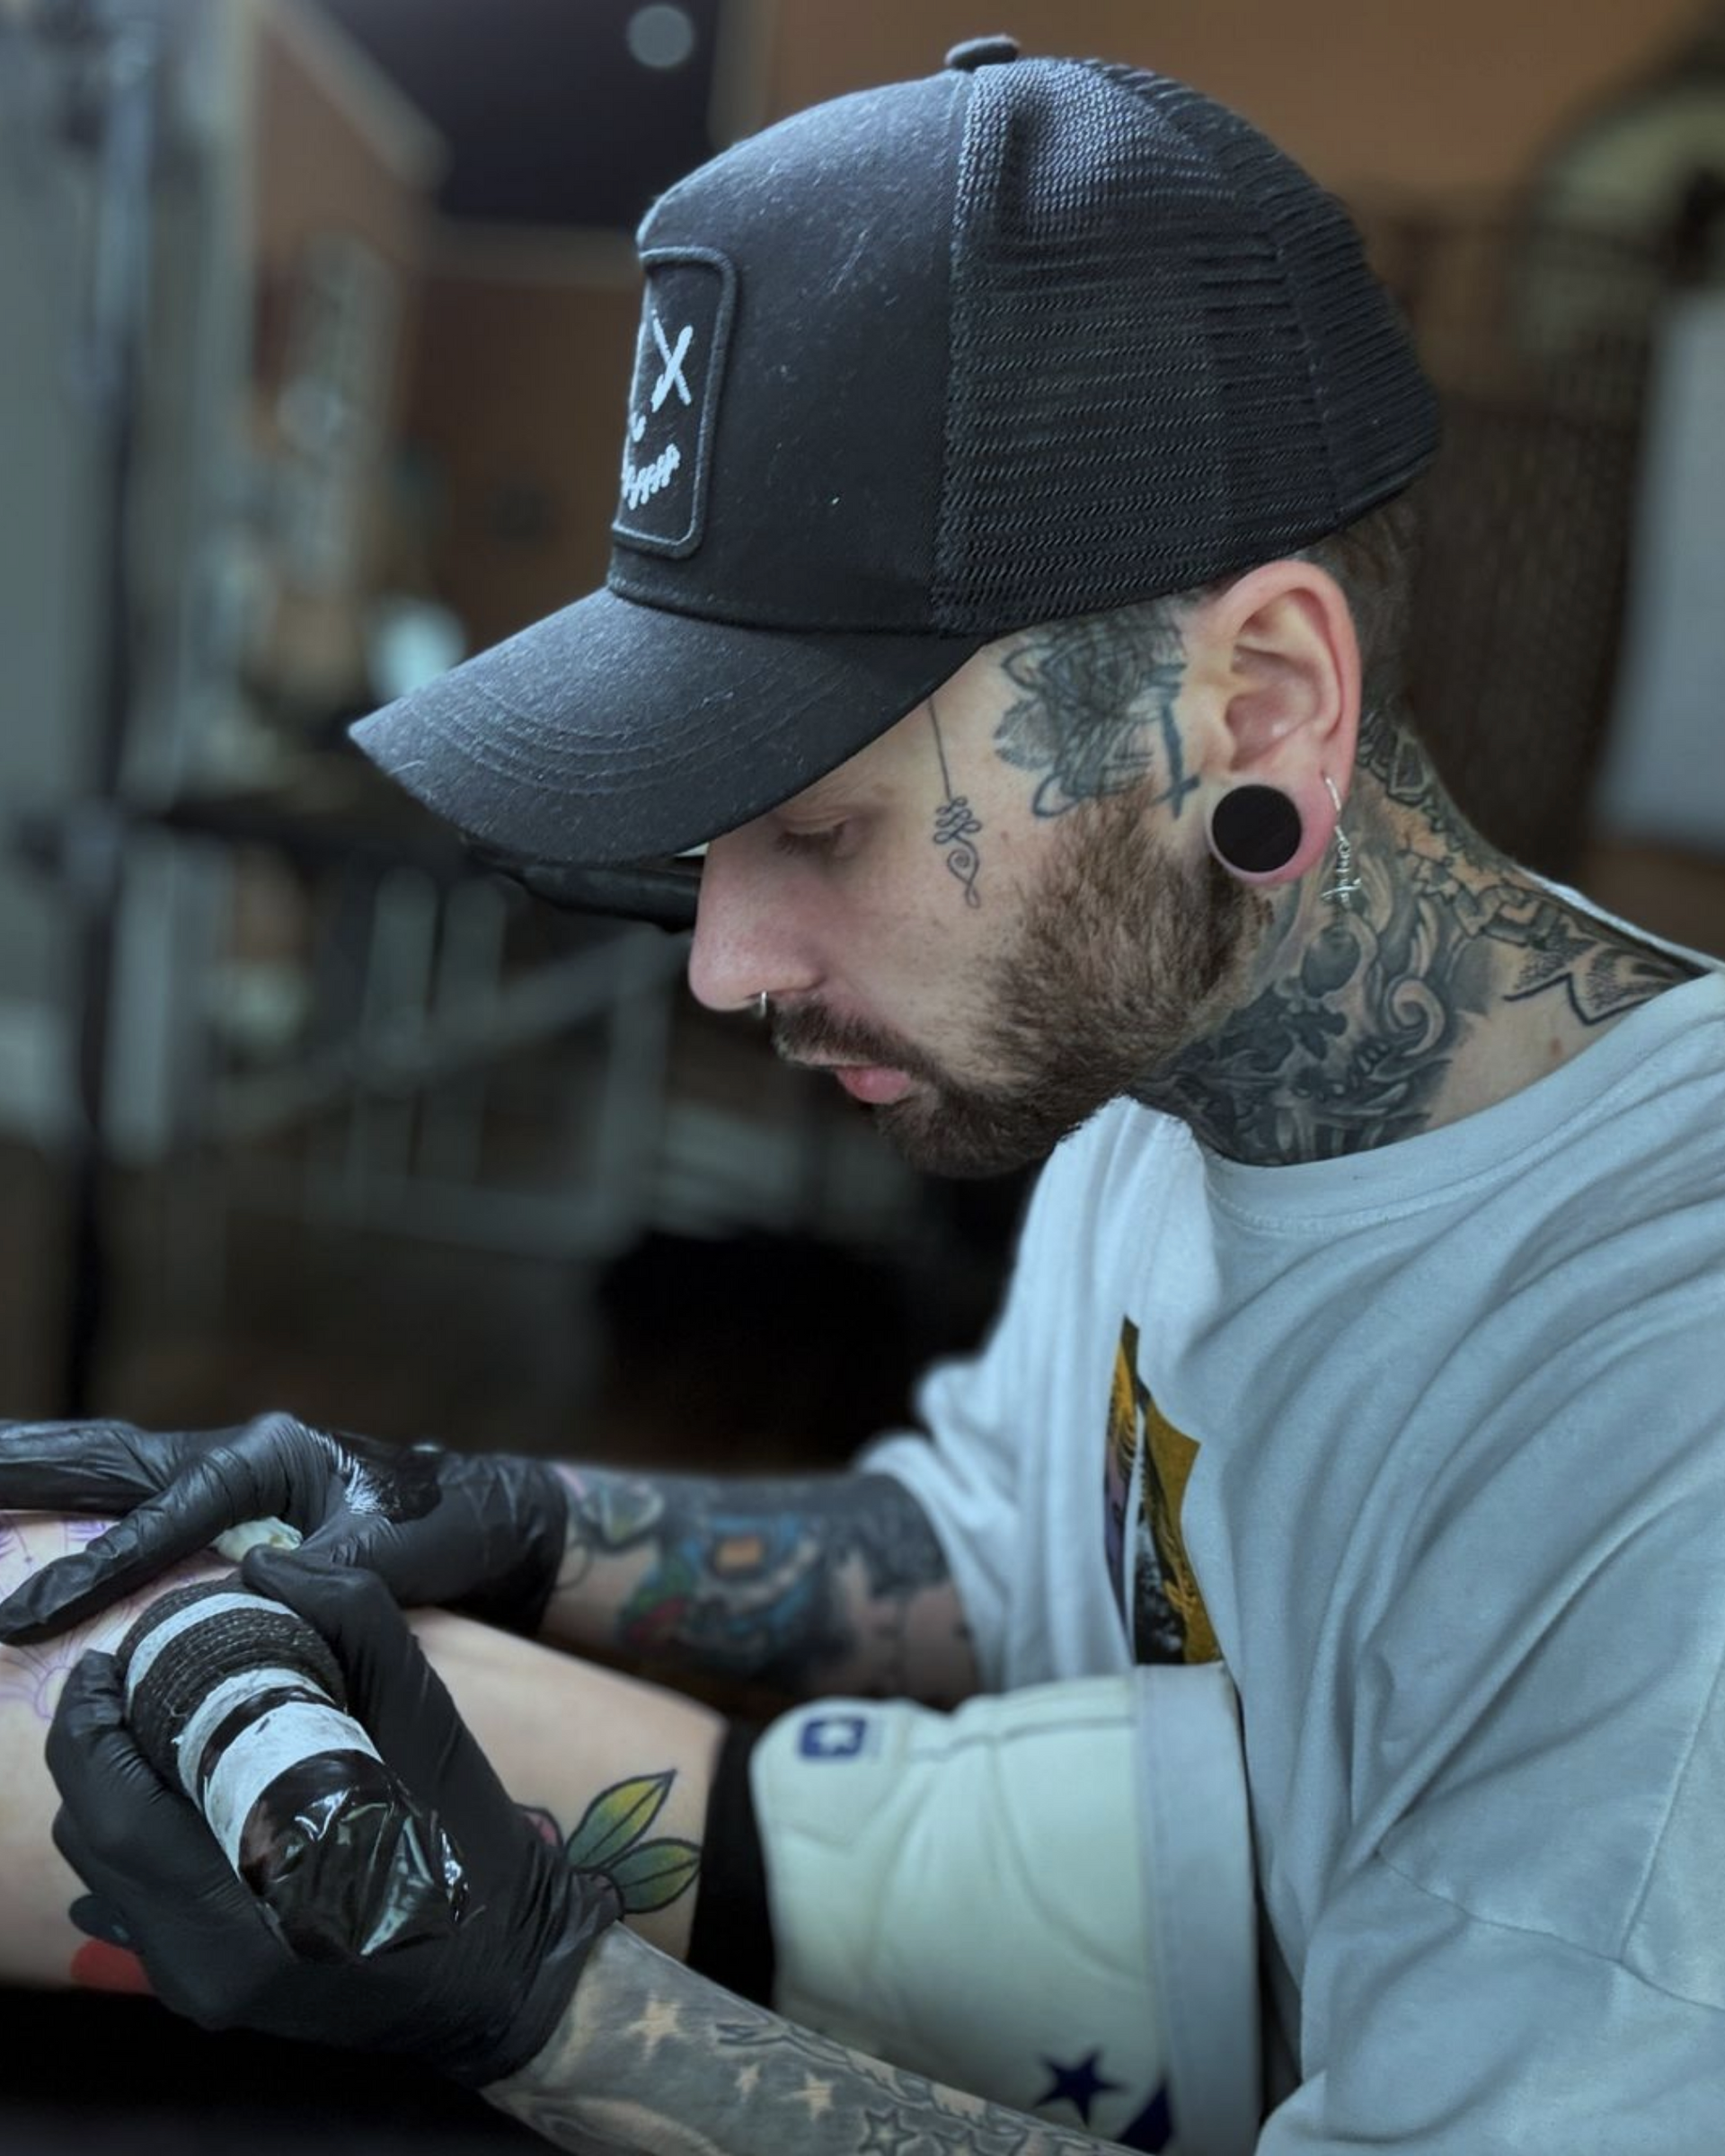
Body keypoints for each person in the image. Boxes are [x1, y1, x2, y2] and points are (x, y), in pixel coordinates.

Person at [1, 32, 1722, 2153]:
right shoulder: (1175, 1045)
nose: (723, 963)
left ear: (1256, 709)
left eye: (822, 831)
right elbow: (992, 1551)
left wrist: (553, 2015)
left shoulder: (1664, 1440)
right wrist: (474, 1504)